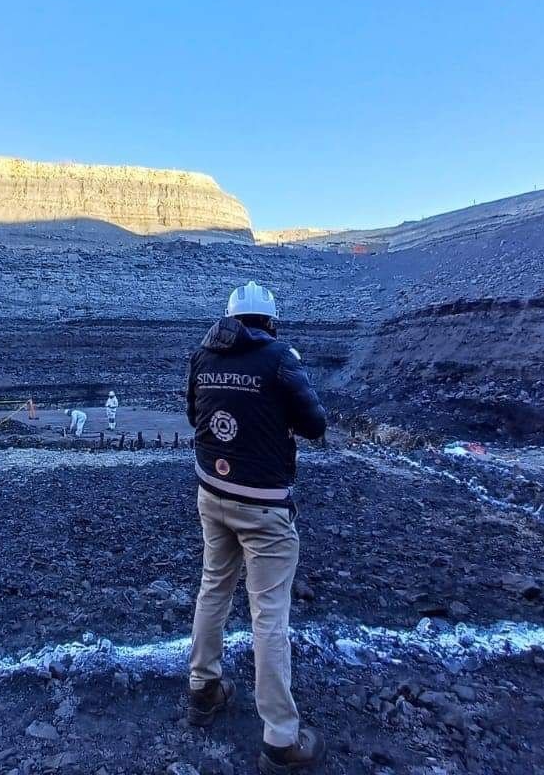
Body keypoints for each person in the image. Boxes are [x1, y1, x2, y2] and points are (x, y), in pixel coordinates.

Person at [185, 281, 328, 773]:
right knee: (269, 614)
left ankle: (203, 690)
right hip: (264, 507)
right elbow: (315, 423)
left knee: (213, 588)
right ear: (269, 321)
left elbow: (193, 417)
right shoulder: (280, 359)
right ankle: (281, 739)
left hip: (212, 493)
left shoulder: (202, 354)